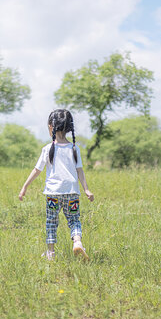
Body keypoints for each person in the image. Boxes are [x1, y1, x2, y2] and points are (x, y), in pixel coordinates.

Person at [19, 109, 94, 261]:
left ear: (50, 127)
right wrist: (86, 189)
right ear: (69, 128)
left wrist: (25, 187)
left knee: (51, 222)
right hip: (72, 193)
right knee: (74, 220)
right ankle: (77, 242)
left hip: (53, 194)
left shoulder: (47, 149)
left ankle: (51, 253)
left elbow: (36, 170)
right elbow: (80, 170)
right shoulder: (74, 148)